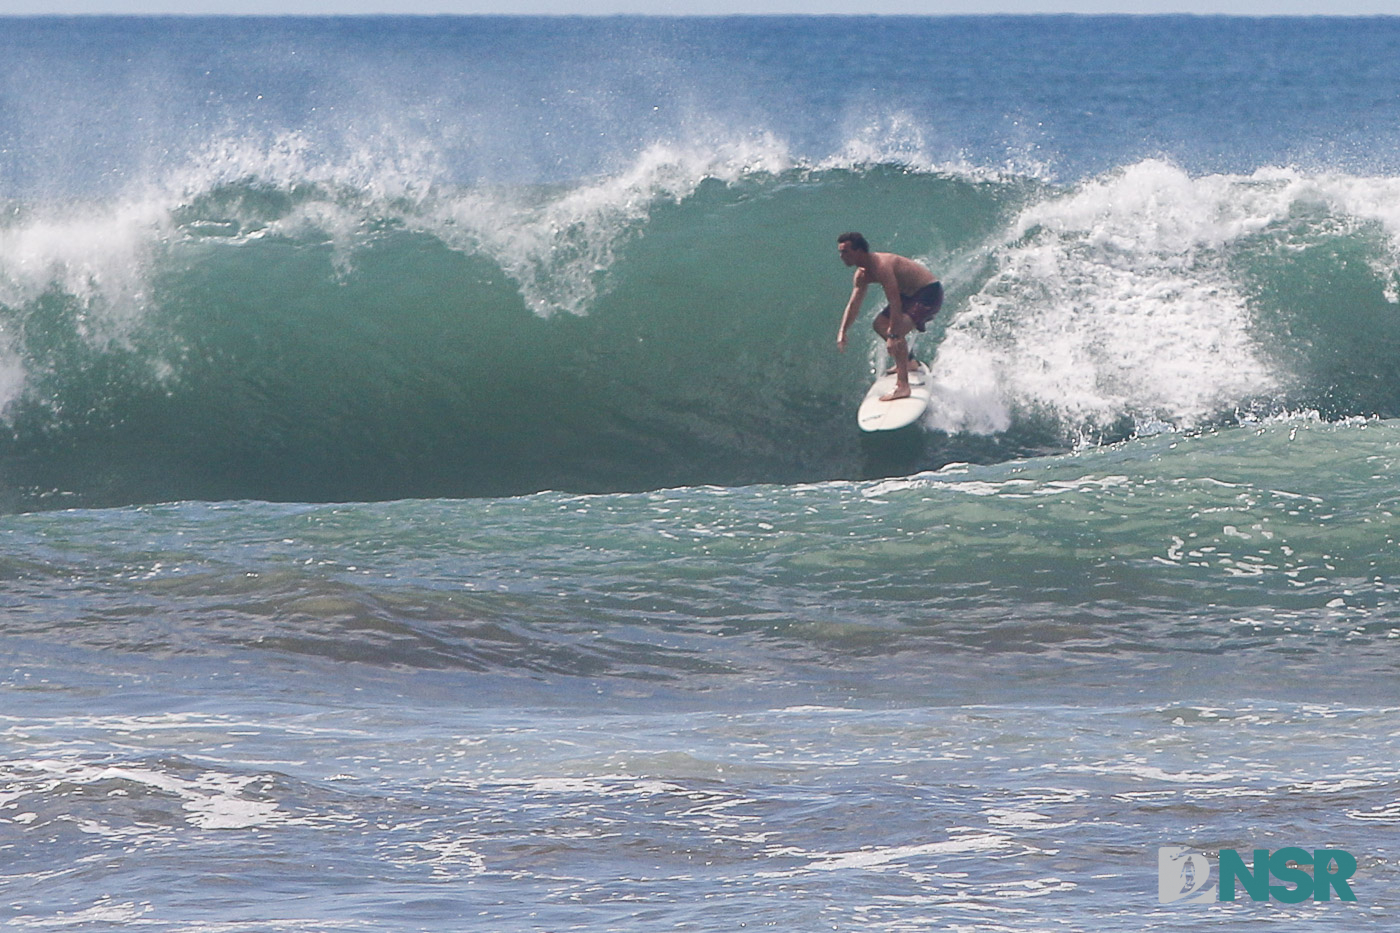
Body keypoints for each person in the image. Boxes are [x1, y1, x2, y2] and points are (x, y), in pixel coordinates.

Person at [834, 232, 944, 401]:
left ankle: (903, 387)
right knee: (879, 324)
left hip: (929, 293)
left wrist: (893, 335)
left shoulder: (881, 266)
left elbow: (894, 302)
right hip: (909, 296)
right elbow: (853, 304)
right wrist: (843, 331)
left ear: (859, 251)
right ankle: (909, 362)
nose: (841, 257)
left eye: (845, 252)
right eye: (840, 252)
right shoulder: (861, 274)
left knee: (896, 331)